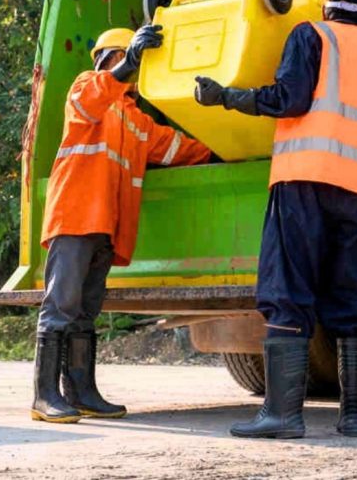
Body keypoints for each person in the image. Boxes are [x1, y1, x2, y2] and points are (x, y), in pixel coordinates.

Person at [194, 0, 357, 438]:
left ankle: (284, 415)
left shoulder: (312, 35)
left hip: (303, 181)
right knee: (349, 296)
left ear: (328, 5)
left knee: (287, 290)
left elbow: (288, 99)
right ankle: (353, 418)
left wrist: (225, 96)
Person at [33, 25, 214, 423]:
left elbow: (175, 147)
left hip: (104, 225)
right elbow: (92, 99)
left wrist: (221, 146)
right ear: (108, 59)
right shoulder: (86, 88)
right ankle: (44, 396)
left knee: (84, 310)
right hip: (76, 216)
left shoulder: (136, 120)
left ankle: (81, 391)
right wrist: (127, 63)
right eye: (124, 58)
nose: (129, 67)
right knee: (61, 306)